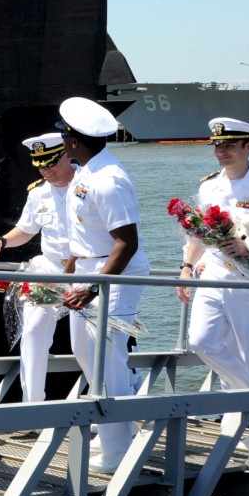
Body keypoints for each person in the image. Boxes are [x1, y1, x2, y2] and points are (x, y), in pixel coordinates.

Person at [56, 96, 150, 474]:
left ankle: (117, 451)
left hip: (114, 278)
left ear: (74, 141)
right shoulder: (87, 171)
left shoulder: (108, 180)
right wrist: (72, 273)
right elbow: (85, 235)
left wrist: (93, 286)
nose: (62, 139)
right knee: (84, 349)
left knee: (106, 357)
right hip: (91, 273)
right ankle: (117, 426)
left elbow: (126, 242)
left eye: (65, 134)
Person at [178, 117, 249, 448]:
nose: (222, 151)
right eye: (218, 145)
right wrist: (187, 267)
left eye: (229, 145)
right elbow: (199, 233)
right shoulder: (209, 187)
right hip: (215, 272)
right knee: (202, 340)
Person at [0, 133, 76, 403]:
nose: (46, 170)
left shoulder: (88, 185)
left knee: (92, 342)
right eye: (40, 165)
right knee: (33, 332)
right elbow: (27, 229)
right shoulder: (38, 192)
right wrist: (1, 241)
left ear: (67, 154)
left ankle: (120, 391)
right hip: (49, 271)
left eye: (51, 163)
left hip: (85, 271)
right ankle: (33, 403)